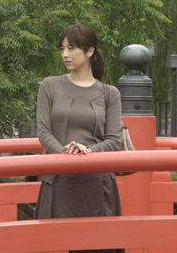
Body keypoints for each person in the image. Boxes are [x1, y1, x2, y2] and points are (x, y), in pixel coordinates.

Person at [34, 24, 124, 253]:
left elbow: (114, 139)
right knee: (54, 245)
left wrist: (88, 152)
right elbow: (43, 131)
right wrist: (67, 154)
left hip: (97, 184)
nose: (65, 54)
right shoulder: (49, 86)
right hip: (59, 182)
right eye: (62, 48)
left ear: (90, 51)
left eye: (72, 48)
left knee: (97, 246)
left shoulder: (109, 93)